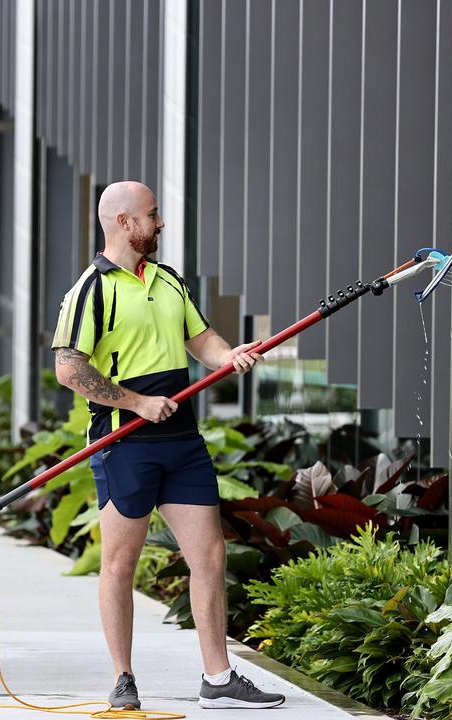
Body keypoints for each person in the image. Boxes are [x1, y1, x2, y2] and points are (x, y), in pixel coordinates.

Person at [51, 181, 285, 711]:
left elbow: (201, 342)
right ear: (123, 223)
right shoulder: (90, 289)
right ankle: (123, 679)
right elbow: (69, 368)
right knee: (119, 563)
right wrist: (135, 402)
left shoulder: (167, 280)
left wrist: (231, 356)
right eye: (152, 216)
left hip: (182, 442)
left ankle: (219, 679)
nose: (159, 224)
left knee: (208, 557)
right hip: (124, 442)